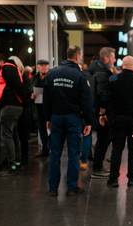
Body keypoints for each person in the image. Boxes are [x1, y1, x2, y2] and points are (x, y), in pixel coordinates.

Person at [43, 46, 92, 197]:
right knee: (73, 153)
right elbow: (86, 101)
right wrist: (88, 122)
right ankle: (71, 187)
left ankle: (52, 188)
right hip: (73, 119)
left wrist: (47, 118)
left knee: (55, 153)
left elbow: (46, 98)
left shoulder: (52, 73)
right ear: (77, 56)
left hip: (56, 117)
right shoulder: (80, 76)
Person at [106, 56, 133, 187]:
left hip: (117, 120)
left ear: (122, 65)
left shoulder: (113, 80)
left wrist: (109, 116)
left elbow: (108, 100)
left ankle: (113, 179)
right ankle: (132, 178)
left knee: (116, 149)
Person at [0, 56, 27, 176]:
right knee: (13, 135)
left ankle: (12, 165)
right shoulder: (15, 69)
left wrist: (24, 99)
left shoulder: (8, 67)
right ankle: (17, 163)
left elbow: (18, 87)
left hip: (9, 106)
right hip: (15, 107)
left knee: (6, 135)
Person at [89, 47, 116, 178]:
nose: (114, 59)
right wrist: (103, 113)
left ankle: (97, 164)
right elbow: (103, 94)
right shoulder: (102, 73)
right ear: (106, 58)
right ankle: (97, 168)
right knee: (103, 139)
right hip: (102, 114)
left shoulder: (95, 70)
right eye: (113, 57)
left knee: (102, 139)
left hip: (96, 111)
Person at [31, 59, 50, 157]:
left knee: (50, 129)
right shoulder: (34, 78)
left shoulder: (51, 77)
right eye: (41, 65)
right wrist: (32, 94)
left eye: (46, 65)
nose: (44, 67)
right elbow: (31, 89)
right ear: (37, 67)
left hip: (49, 108)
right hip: (38, 106)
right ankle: (45, 150)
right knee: (41, 129)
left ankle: (51, 148)